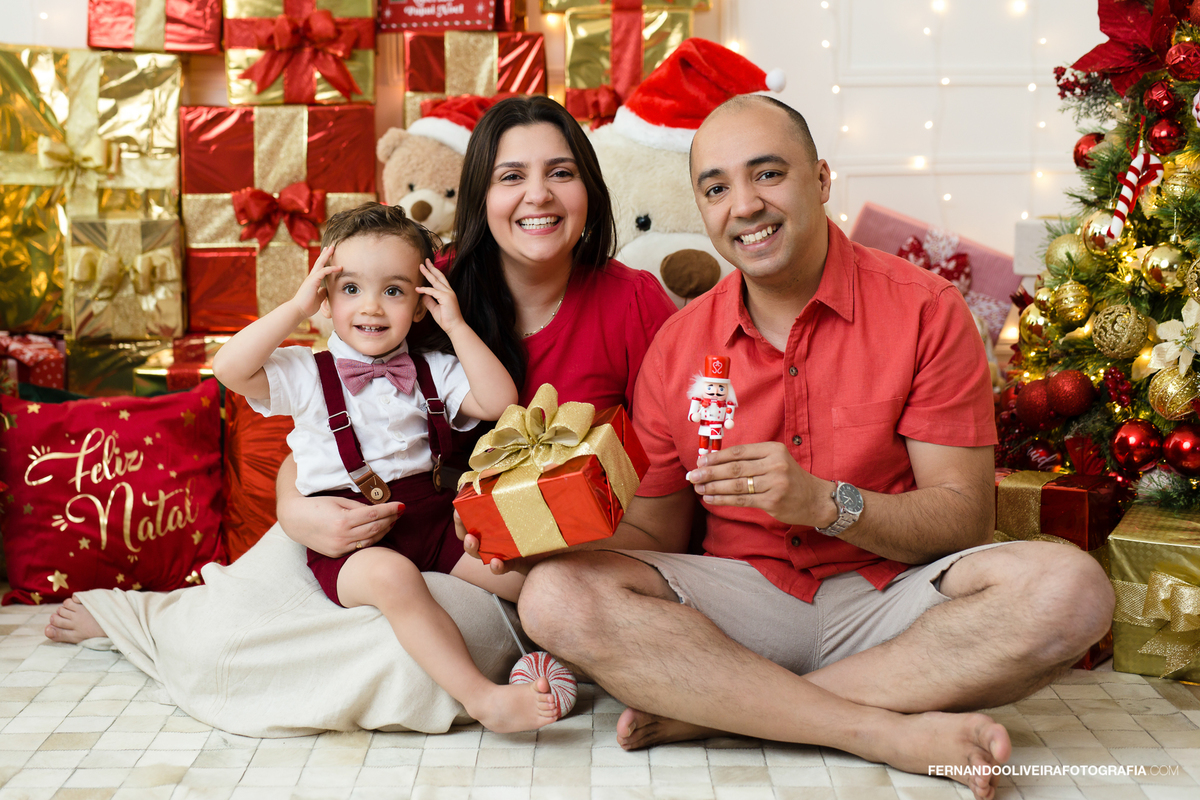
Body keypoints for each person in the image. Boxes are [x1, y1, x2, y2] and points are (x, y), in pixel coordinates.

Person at [498, 95, 1115, 800]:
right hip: (742, 605)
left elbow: (964, 521)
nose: (745, 205)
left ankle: (729, 711)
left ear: (820, 180)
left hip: (893, 601)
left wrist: (826, 503)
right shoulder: (678, 344)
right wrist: (539, 534)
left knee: (1072, 590)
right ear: (702, 208)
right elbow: (659, 532)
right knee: (554, 597)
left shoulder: (925, 310)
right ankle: (871, 729)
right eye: (717, 187)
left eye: (768, 174)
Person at [43, 96, 678, 735]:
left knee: (404, 652)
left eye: (561, 172)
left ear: (590, 186)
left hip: (463, 529)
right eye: (511, 176)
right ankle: (148, 620)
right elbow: (328, 417)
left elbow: (642, 472)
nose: (537, 195)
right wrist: (297, 510)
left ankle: (652, 678)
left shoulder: (599, 300)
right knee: (227, 629)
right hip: (341, 511)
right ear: (479, 194)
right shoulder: (413, 278)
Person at [211, 202, 561, 733]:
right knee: (394, 579)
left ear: (420, 305)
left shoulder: (434, 368)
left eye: (394, 291)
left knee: (525, 576)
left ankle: (589, 664)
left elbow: (498, 400)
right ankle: (481, 698)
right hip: (352, 539)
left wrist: (456, 324)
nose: (372, 307)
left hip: (437, 521)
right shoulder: (305, 373)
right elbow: (230, 368)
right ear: (326, 298)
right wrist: (295, 307)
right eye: (350, 289)